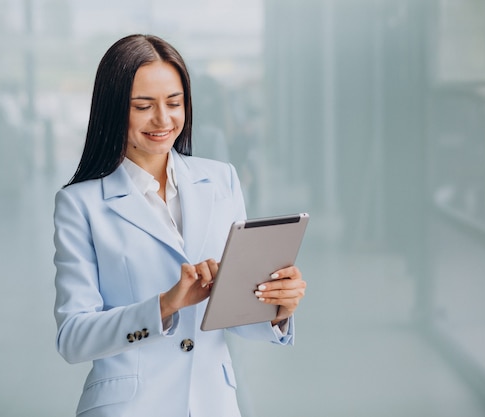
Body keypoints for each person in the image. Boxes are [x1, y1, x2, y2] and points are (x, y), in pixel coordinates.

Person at [52, 34, 307, 417]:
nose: (163, 119)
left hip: (213, 404)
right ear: (113, 109)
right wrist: (165, 306)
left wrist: (278, 307)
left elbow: (234, 317)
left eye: (174, 103)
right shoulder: (80, 204)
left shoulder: (222, 180)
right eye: (143, 106)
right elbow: (73, 339)